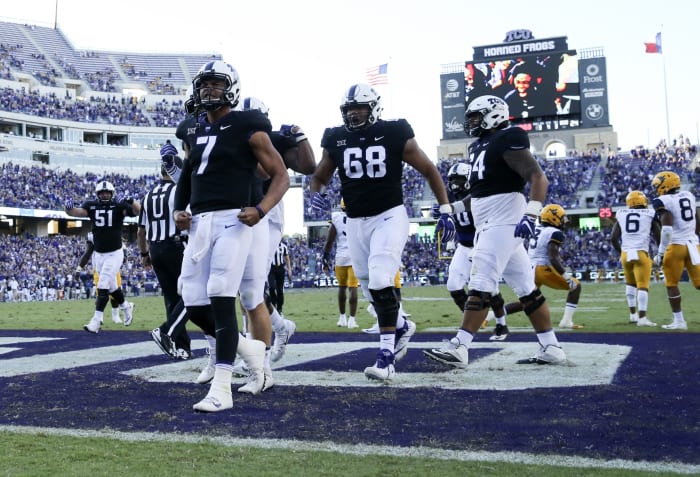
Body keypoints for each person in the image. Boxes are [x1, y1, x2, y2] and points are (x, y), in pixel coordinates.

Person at [309, 83, 454, 382]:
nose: (354, 114)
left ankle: (386, 357)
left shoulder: (395, 131)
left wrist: (446, 208)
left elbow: (428, 168)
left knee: (379, 277)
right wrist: (316, 192)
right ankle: (401, 324)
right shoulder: (336, 137)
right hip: (355, 222)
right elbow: (321, 175)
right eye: (349, 110)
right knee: (368, 287)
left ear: (373, 107)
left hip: (389, 215)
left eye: (359, 108)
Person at [172, 60, 289, 412]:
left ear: (232, 88)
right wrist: (181, 209)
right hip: (201, 222)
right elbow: (189, 175)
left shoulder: (247, 125)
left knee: (221, 293)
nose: (209, 89)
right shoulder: (193, 130)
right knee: (191, 298)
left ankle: (222, 388)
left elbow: (281, 175)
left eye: (216, 84)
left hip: (234, 219)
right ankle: (246, 346)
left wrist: (262, 208)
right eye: (204, 84)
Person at [423, 94, 566, 368]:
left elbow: (537, 177)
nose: (472, 122)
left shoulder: (507, 137)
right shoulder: (478, 146)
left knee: (481, 283)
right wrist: (450, 210)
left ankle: (460, 347)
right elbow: (477, 195)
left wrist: (532, 213)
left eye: (476, 116)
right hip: (490, 219)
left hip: (504, 220)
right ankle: (552, 347)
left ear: (493, 115)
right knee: (527, 290)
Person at [436, 163, 509, 341]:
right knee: (453, 284)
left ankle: (502, 324)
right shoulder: (450, 195)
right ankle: (472, 319)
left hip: (482, 244)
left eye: (459, 179)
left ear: (468, 179)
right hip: (463, 246)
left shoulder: (479, 195)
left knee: (491, 290)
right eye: (452, 180)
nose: (454, 183)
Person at [137, 150, 193, 359]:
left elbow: (140, 231)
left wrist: (144, 254)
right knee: (191, 294)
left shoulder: (148, 195)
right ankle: (166, 331)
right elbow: (187, 219)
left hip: (156, 249)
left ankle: (181, 347)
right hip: (175, 246)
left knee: (171, 299)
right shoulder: (179, 190)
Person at [65, 180, 139, 333]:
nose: (105, 195)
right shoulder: (91, 205)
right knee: (112, 287)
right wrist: (68, 208)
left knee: (103, 284)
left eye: (107, 192)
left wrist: (132, 201)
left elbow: (138, 212)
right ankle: (126, 307)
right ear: (97, 194)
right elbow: (76, 213)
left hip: (115, 252)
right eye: (102, 192)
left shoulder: (119, 205)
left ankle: (96, 321)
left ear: (112, 193)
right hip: (99, 254)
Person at [497, 204, 583, 329]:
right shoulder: (555, 232)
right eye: (561, 218)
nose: (563, 222)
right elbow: (553, 257)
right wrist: (566, 276)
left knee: (527, 301)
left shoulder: (537, 228)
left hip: (530, 268)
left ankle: (490, 316)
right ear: (553, 218)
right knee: (575, 286)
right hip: (543, 269)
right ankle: (566, 321)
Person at [650, 171, 700, 331]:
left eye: (658, 184)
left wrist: (660, 252)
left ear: (665, 185)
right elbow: (697, 218)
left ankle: (679, 321)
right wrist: (693, 236)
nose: (656, 188)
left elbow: (666, 228)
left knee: (672, 284)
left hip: (675, 246)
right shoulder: (689, 195)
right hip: (693, 244)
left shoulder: (661, 200)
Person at [611, 190, 661, 327]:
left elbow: (613, 238)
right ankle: (642, 318)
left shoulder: (621, 214)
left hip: (626, 254)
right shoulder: (650, 213)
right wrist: (660, 252)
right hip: (640, 253)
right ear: (643, 201)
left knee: (630, 284)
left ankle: (632, 315)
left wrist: (621, 252)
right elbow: (658, 236)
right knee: (643, 286)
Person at [322, 198, 359, 329]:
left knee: (342, 287)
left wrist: (325, 257)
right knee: (353, 288)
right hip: (355, 257)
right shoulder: (359, 216)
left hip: (341, 257)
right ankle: (352, 320)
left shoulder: (336, 218)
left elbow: (329, 241)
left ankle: (342, 318)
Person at [74, 232, 124, 325]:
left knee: (115, 291)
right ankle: (99, 317)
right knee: (100, 293)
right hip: (99, 268)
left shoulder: (112, 230)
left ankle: (115, 315)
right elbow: (88, 253)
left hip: (112, 265)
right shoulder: (91, 235)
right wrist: (79, 269)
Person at [268, 238, 292, 316]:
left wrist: (289, 269)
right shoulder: (269, 246)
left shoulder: (283, 247)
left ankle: (280, 308)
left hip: (280, 268)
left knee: (280, 290)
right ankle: (273, 305)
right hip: (271, 268)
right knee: (271, 287)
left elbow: (287, 259)